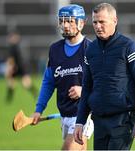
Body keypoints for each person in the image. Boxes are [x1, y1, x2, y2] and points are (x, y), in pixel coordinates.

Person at [74, 3, 135, 150]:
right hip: (99, 120)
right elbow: (87, 87)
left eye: (102, 22)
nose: (97, 26)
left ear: (114, 21)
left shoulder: (129, 47)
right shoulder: (90, 50)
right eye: (95, 22)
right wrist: (80, 122)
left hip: (122, 120)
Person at [31, 4, 93, 150]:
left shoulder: (91, 49)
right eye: (62, 21)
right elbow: (48, 81)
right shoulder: (54, 49)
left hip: (85, 113)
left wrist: (83, 91)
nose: (65, 25)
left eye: (70, 21)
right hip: (65, 114)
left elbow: (103, 83)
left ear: (81, 23)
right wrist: (38, 110)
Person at [5, 31, 37, 102]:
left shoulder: (12, 47)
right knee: (22, 82)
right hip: (22, 67)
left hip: (17, 67)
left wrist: (10, 69)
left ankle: (8, 99)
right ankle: (35, 92)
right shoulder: (19, 46)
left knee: (13, 82)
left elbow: (11, 59)